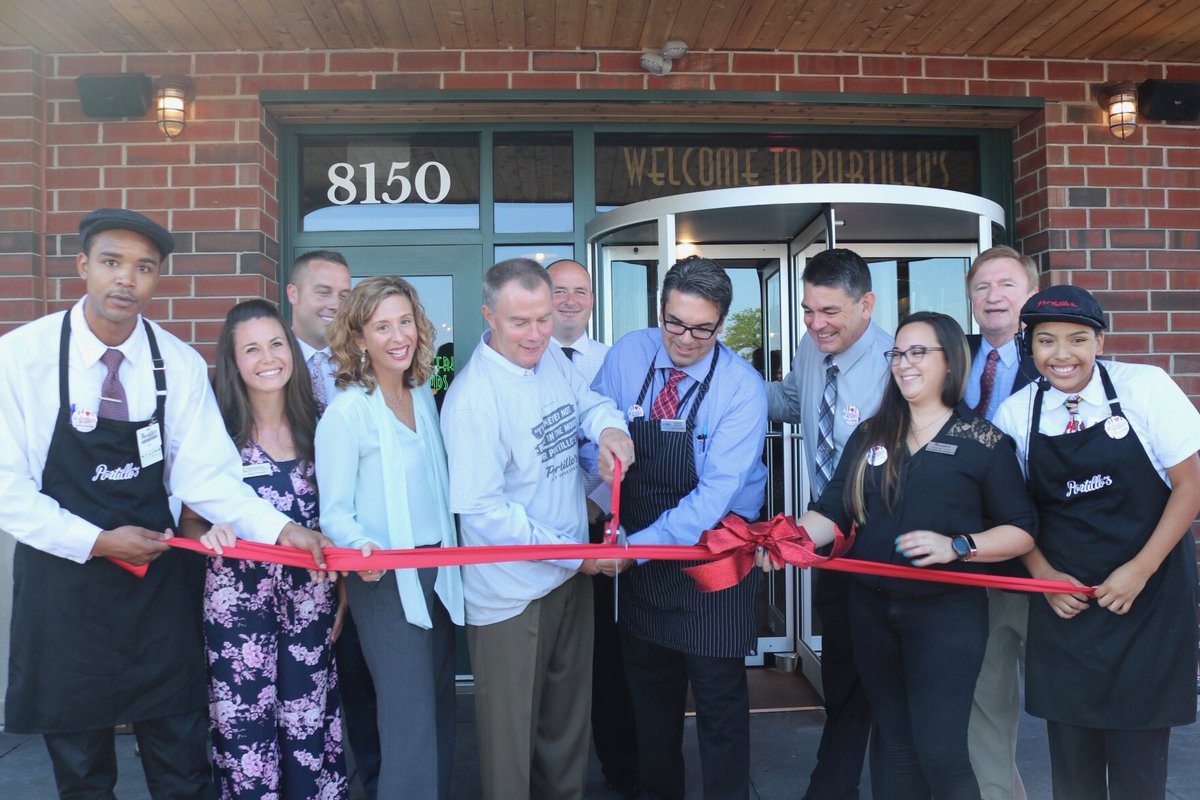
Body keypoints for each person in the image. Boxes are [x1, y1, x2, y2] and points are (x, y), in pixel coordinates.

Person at [0, 208, 328, 799]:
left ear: (157, 278)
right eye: (111, 262)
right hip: (63, 588)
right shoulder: (21, 357)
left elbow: (209, 477)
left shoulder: (176, 363)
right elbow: (7, 486)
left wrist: (282, 529)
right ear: (83, 266)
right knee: (82, 772)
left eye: (144, 268)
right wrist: (96, 541)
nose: (126, 279)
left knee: (181, 765)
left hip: (156, 589)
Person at [764, 311, 1036, 799]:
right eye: (897, 353)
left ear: (950, 361)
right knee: (893, 748)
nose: (903, 363)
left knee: (941, 752)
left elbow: (1021, 530)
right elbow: (834, 511)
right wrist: (785, 540)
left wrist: (958, 546)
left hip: (946, 616)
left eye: (918, 352)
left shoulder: (984, 442)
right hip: (871, 612)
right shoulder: (872, 434)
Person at [995, 286, 1200, 800]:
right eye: (1046, 340)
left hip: (1150, 601)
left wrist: (1140, 569)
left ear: (1100, 342)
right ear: (1029, 346)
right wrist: (1043, 575)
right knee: (1073, 773)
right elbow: (1013, 512)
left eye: (1077, 339)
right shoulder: (1017, 414)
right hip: (1067, 608)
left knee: (1139, 772)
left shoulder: (1146, 388)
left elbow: (1190, 486)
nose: (1061, 354)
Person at [441, 257, 634, 800]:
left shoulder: (548, 357)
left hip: (568, 577)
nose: (535, 334)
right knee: (512, 747)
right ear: (489, 316)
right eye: (519, 322)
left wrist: (610, 430)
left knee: (566, 734)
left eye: (543, 319)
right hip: (511, 594)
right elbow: (484, 515)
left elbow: (588, 403)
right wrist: (579, 555)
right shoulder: (473, 400)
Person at [592, 255, 768, 800]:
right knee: (650, 702)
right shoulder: (628, 354)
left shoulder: (741, 388)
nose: (685, 339)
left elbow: (713, 497)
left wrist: (633, 550)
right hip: (642, 560)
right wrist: (599, 454)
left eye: (702, 329)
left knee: (719, 705)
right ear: (660, 309)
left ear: (722, 324)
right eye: (675, 322)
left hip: (712, 558)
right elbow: (590, 419)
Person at [178, 299, 345, 799]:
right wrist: (206, 537)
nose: (268, 358)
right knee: (246, 739)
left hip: (311, 605)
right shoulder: (216, 434)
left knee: (308, 730)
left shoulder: (323, 425)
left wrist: (345, 598)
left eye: (276, 344)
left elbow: (340, 519)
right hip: (237, 615)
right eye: (251, 349)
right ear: (233, 361)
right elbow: (190, 522)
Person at [314, 276, 465, 800]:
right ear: (358, 338)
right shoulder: (347, 412)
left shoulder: (421, 393)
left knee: (439, 708)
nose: (398, 336)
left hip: (440, 571)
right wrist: (361, 549)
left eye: (405, 322)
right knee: (408, 718)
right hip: (383, 578)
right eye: (382, 327)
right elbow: (334, 512)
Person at [766, 247, 892, 800]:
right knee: (842, 669)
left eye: (830, 312)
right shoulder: (811, 347)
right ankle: (834, 785)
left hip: (884, 546)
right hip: (830, 541)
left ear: (866, 304)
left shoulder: (897, 364)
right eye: (808, 310)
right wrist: (723, 383)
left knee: (884, 679)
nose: (816, 324)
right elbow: (790, 401)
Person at [285, 249, 381, 799]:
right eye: (323, 291)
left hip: (359, 550)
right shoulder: (270, 362)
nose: (335, 304)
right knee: (298, 694)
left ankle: (375, 782)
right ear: (294, 294)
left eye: (345, 294)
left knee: (363, 685)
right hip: (293, 555)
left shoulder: (363, 366)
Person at [547, 258, 640, 798]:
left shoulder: (613, 361)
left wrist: (598, 504)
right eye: (559, 290)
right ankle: (550, 774)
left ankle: (619, 769)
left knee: (607, 656)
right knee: (552, 657)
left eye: (579, 291)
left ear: (591, 299)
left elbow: (624, 438)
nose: (569, 300)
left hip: (602, 525)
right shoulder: (522, 361)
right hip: (541, 533)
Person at [962, 246, 1039, 800]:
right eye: (982, 286)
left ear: (1030, 295)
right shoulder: (950, 357)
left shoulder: (1057, 360)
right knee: (986, 697)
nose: (994, 297)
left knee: (1070, 694)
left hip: (1046, 561)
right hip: (972, 559)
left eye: (1007, 285)